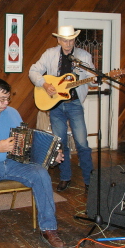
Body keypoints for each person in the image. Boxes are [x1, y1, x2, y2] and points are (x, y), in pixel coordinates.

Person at [0, 78, 65, 248]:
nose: (6, 103)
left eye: (8, 99)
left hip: (15, 162)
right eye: (2, 99)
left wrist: (52, 154)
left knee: (41, 174)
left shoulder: (12, 113)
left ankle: (49, 228)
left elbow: (27, 143)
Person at [29, 25, 94, 193]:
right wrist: (44, 83)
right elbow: (33, 71)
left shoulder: (84, 56)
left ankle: (89, 179)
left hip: (75, 104)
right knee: (61, 143)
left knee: (82, 143)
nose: (68, 43)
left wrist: (95, 79)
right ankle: (65, 177)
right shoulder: (50, 54)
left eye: (71, 40)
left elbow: (91, 79)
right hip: (56, 105)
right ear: (58, 40)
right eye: (65, 40)